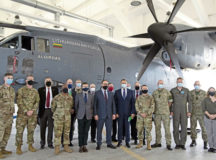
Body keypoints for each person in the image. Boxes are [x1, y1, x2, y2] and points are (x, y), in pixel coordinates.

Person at [16, 75, 40, 155]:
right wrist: (26, 111)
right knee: (20, 131)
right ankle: (18, 147)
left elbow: (37, 102)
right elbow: (19, 102)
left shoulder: (35, 91)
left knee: (31, 130)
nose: (30, 81)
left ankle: (30, 145)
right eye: (29, 79)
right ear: (26, 81)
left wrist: (32, 110)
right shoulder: (21, 90)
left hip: (32, 115)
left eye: (32, 80)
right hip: (22, 114)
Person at [94, 80, 116, 150]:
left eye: (106, 84)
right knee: (99, 130)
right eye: (104, 84)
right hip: (100, 115)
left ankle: (109, 143)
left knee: (109, 130)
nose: (105, 85)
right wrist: (95, 114)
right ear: (101, 84)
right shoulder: (97, 93)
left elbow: (113, 105)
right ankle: (98, 143)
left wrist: (114, 113)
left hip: (109, 115)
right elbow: (95, 105)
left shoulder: (111, 94)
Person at [51, 84, 73, 155]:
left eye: (66, 88)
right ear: (61, 89)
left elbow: (71, 106)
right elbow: (53, 108)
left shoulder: (70, 97)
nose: (65, 89)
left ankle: (66, 146)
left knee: (66, 133)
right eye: (64, 88)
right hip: (58, 119)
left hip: (67, 118)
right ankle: (57, 147)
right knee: (58, 133)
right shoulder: (56, 97)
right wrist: (58, 114)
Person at [170, 77, 191, 150]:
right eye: (178, 81)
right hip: (175, 111)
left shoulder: (186, 90)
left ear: (182, 82)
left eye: (181, 81)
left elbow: (190, 102)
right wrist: (171, 111)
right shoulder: (172, 90)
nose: (180, 83)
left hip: (184, 112)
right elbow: (170, 102)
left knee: (184, 128)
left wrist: (189, 111)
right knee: (175, 127)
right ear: (176, 82)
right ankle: (177, 143)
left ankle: (182, 143)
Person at [151, 80, 173, 150]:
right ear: (157, 84)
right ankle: (158, 143)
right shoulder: (154, 92)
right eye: (159, 83)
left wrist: (166, 108)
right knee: (157, 129)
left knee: (167, 129)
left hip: (165, 113)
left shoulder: (167, 92)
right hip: (157, 113)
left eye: (162, 83)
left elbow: (170, 101)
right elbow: (152, 102)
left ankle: (168, 144)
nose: (160, 84)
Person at [38, 77, 59, 149]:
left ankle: (50, 143)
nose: (48, 82)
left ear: (52, 82)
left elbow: (57, 100)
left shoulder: (55, 90)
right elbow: (38, 101)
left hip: (51, 111)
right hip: (43, 110)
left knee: (51, 127)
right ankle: (42, 143)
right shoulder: (40, 90)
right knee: (42, 127)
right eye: (47, 81)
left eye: (49, 81)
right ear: (44, 82)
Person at [115, 79, 135, 148]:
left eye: (125, 83)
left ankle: (127, 141)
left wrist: (132, 113)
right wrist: (116, 113)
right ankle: (119, 141)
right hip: (119, 114)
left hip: (128, 115)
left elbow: (133, 103)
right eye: (122, 83)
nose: (123, 84)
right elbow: (115, 104)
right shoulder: (117, 92)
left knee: (127, 128)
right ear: (120, 84)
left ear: (127, 84)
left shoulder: (131, 92)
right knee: (119, 128)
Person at [75, 82, 94, 153]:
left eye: (86, 86)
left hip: (88, 116)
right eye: (84, 86)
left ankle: (84, 146)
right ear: (82, 87)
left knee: (86, 131)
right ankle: (80, 146)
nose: (85, 87)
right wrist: (78, 113)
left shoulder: (91, 95)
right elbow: (76, 105)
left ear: (88, 87)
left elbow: (92, 106)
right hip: (80, 115)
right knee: (80, 131)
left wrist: (91, 114)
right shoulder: (78, 95)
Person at [0, 73, 15, 158]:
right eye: (8, 78)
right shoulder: (1, 89)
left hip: (10, 116)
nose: (10, 79)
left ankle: (3, 149)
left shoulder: (12, 90)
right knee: (0, 133)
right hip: (2, 116)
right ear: (4, 78)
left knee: (7, 133)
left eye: (11, 78)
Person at [135, 85, 155, 150]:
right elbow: (136, 106)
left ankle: (148, 144)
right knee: (139, 130)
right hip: (140, 117)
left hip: (148, 117)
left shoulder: (151, 97)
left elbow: (152, 106)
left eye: (146, 89)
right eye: (143, 89)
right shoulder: (138, 98)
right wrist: (140, 113)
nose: (145, 90)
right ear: (141, 89)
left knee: (148, 131)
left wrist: (147, 113)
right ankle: (140, 143)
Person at [189, 81, 208, 149]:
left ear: (200, 85)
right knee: (193, 127)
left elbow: (206, 102)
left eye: (198, 84)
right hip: (193, 113)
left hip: (202, 113)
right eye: (196, 84)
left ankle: (205, 142)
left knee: (204, 128)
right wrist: (189, 111)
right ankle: (193, 141)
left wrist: (207, 112)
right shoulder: (191, 93)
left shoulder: (204, 92)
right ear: (194, 85)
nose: (197, 85)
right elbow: (190, 103)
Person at [202, 87, 216, 153]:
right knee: (209, 133)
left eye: (213, 90)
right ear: (208, 91)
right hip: (207, 118)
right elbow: (203, 109)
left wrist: (214, 115)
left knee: (215, 133)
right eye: (210, 90)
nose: (212, 91)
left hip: (215, 118)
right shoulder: (205, 99)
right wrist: (209, 115)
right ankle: (211, 147)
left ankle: (215, 147)